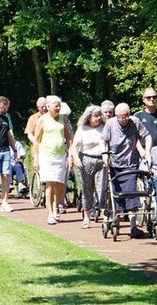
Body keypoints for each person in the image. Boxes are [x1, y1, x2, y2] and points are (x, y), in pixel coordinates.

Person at [101, 103, 151, 239]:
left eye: (126, 116)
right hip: (115, 164)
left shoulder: (135, 121)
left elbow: (147, 136)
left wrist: (147, 152)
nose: (124, 119)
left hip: (131, 163)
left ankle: (133, 227)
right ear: (116, 116)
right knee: (116, 194)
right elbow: (103, 141)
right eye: (121, 117)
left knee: (131, 194)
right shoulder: (110, 124)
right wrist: (104, 154)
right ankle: (116, 222)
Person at [32, 95, 72, 225]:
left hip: (60, 155)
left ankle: (56, 205)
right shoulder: (42, 120)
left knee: (59, 185)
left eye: (59, 105)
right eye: (56, 106)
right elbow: (36, 140)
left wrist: (70, 155)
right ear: (48, 106)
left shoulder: (62, 119)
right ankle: (50, 213)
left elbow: (69, 138)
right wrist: (36, 158)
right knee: (49, 185)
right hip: (46, 155)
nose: (58, 108)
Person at [72, 105, 106, 229]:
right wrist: (76, 158)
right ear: (89, 117)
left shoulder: (104, 128)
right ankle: (86, 217)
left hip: (101, 160)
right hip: (86, 160)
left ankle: (105, 216)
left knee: (102, 189)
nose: (98, 118)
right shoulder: (82, 129)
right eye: (95, 116)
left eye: (99, 116)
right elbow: (74, 146)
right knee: (87, 190)